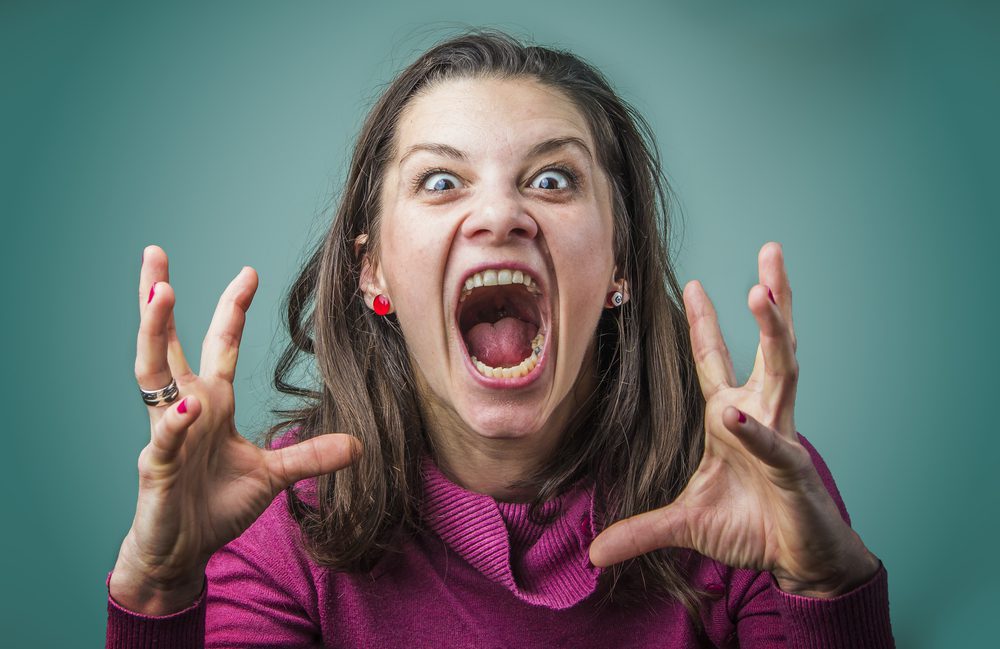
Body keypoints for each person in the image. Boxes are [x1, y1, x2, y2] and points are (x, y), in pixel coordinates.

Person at [106, 31, 895, 647]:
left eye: (552, 179)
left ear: (619, 259)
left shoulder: (744, 486)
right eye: (441, 181)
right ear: (373, 269)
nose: (500, 215)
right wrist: (158, 588)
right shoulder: (286, 518)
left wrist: (823, 583)